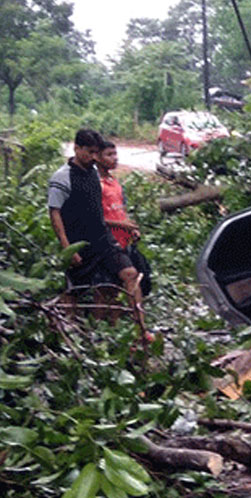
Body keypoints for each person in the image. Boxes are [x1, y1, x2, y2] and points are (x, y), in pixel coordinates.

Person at [48, 129, 150, 343]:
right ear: (77, 148)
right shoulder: (62, 177)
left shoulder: (94, 173)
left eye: (97, 152)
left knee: (130, 274)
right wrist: (67, 248)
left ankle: (141, 330)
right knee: (76, 292)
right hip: (79, 244)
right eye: (90, 152)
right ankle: (78, 336)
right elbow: (55, 214)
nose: (94, 157)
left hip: (104, 241)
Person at [97, 140, 152, 297]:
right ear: (98, 158)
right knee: (130, 274)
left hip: (122, 241)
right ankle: (139, 319)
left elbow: (120, 209)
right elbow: (94, 217)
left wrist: (131, 229)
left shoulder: (113, 181)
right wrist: (121, 224)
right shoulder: (94, 184)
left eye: (115, 154)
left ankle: (108, 321)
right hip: (106, 241)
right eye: (109, 155)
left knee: (110, 287)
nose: (115, 158)